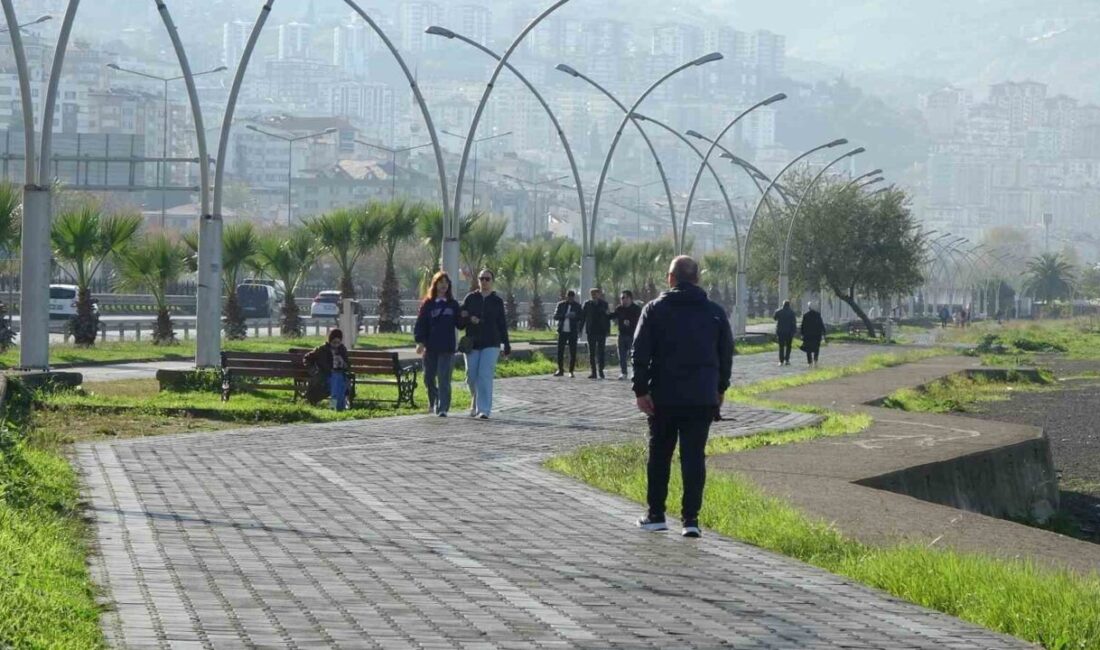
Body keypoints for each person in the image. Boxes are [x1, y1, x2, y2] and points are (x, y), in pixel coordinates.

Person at [632, 256, 734, 538]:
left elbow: (639, 353)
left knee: (659, 456)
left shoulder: (654, 309)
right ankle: (691, 520)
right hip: (701, 397)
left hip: (663, 396)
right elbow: (726, 355)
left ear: (670, 278)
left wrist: (641, 390)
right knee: (694, 457)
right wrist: (720, 389)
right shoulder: (715, 312)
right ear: (697, 279)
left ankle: (656, 515)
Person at [459, 269, 511, 419]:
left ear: (492, 281)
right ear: (478, 280)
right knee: (471, 376)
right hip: (472, 343)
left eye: (487, 279)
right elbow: (460, 321)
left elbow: (502, 324)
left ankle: (484, 410)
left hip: (491, 342)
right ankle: (475, 399)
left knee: (484, 375)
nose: (484, 281)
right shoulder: (470, 298)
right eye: (482, 278)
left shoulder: (497, 301)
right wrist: (468, 318)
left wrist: (506, 344)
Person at [415, 271, 462, 417]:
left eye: (446, 283)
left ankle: (443, 408)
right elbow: (421, 324)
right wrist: (420, 342)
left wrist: (465, 316)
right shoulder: (428, 304)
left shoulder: (453, 304)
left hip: (447, 348)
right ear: (435, 284)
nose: (444, 285)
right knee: (428, 378)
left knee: (443, 378)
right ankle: (433, 400)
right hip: (430, 347)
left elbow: (460, 324)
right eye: (441, 282)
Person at [304, 329, 350, 411]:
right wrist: (313, 370)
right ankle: (338, 408)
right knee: (337, 382)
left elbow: (348, 366)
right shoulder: (322, 349)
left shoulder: (342, 349)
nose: (336, 345)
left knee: (338, 382)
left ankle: (335, 407)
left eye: (338, 342)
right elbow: (307, 358)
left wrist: (342, 362)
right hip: (326, 375)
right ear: (330, 341)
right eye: (334, 342)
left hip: (340, 374)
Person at [610, 290, 643, 380]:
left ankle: (634, 372)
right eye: (621, 298)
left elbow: (641, 322)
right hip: (621, 335)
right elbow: (612, 316)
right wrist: (606, 313)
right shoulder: (619, 308)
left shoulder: (636, 309)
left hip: (633, 335)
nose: (622, 300)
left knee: (634, 355)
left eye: (623, 297)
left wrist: (631, 323)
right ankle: (623, 373)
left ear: (630, 298)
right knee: (622, 356)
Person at [581, 287, 611, 379]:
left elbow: (607, 318)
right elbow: (583, 317)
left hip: (601, 331)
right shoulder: (587, 304)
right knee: (592, 353)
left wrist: (608, 330)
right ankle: (593, 372)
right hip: (591, 331)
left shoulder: (604, 304)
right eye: (592, 294)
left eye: (595, 294)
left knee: (601, 352)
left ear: (599, 294)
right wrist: (580, 329)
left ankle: (601, 371)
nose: (594, 295)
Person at [552, 290, 582, 377]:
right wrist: (564, 315)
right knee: (560, 351)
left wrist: (574, 316)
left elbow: (581, 317)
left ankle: (571, 371)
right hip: (562, 331)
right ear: (566, 297)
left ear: (574, 297)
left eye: (572, 297)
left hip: (572, 331)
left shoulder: (577, 306)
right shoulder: (561, 305)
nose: (570, 299)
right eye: (569, 297)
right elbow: (555, 316)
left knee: (573, 352)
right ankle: (560, 370)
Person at [773, 299, 797, 366]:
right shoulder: (792, 312)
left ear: (783, 304)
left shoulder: (778, 311)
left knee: (781, 346)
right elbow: (794, 323)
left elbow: (774, 318)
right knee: (788, 346)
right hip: (789, 332)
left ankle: (781, 361)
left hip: (780, 331)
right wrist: (794, 331)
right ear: (789, 305)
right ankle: (787, 360)